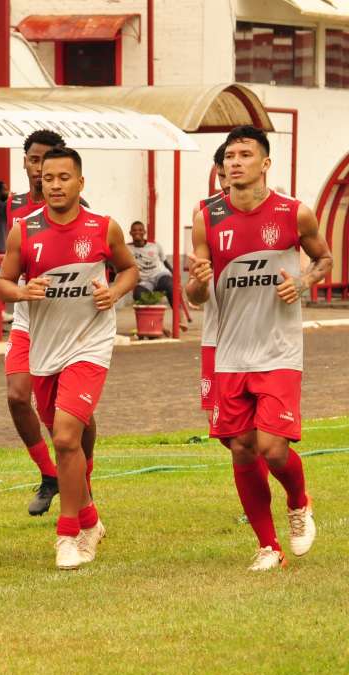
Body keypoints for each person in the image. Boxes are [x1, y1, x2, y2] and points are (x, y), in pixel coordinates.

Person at [187, 125, 332, 571]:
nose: (235, 162)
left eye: (245, 154)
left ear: (265, 163)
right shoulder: (206, 216)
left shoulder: (294, 214)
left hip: (278, 349)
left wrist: (303, 283)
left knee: (272, 448)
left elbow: (324, 259)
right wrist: (197, 282)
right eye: (230, 155)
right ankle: (268, 546)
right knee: (242, 448)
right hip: (228, 351)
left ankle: (299, 502)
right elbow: (196, 297)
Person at [0, 147, 138, 570]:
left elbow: (129, 269)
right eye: (49, 178)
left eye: (64, 177)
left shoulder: (103, 227)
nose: (54, 184)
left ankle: (69, 533)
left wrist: (113, 291)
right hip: (45, 346)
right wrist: (20, 292)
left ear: (80, 183)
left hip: (90, 344)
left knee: (64, 435)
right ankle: (91, 519)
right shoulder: (24, 230)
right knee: (57, 429)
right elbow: (2, 281)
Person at [1, 129, 84, 517]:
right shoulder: (14, 206)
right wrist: (7, 283)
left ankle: (82, 471)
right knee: (18, 396)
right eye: (35, 160)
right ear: (26, 163)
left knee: (73, 413)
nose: (41, 169)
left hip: (68, 324)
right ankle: (50, 475)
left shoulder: (76, 205)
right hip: (27, 316)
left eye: (49, 161)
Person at [193, 143, 229, 418]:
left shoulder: (285, 211)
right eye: (224, 171)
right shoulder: (206, 213)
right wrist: (200, 282)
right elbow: (195, 290)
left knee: (264, 440)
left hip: (262, 338)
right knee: (217, 421)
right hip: (216, 330)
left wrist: (297, 283)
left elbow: (310, 261)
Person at [127, 221, 175, 305]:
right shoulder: (127, 248)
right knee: (138, 294)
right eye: (134, 230)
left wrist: (175, 277)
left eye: (140, 230)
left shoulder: (155, 245)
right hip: (144, 280)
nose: (137, 232)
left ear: (144, 232)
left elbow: (165, 262)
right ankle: (153, 315)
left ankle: (178, 315)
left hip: (160, 275)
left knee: (171, 286)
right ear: (130, 233)